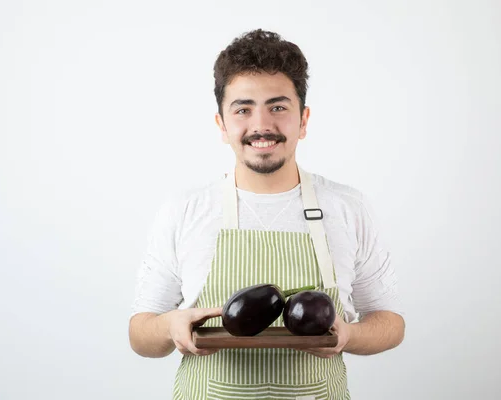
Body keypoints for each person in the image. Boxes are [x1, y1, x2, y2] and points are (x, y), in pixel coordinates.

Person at [129, 29, 405, 399]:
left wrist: (351, 335)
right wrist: (168, 327)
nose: (261, 125)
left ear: (303, 120)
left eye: (278, 107)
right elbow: (139, 333)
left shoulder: (347, 207)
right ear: (222, 125)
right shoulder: (185, 210)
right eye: (243, 109)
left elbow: (390, 323)